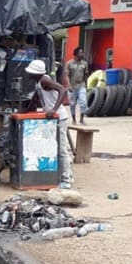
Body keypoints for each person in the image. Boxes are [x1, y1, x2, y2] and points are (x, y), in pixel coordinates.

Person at [25, 59, 74, 189]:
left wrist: (54, 110)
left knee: (61, 149)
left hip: (59, 118)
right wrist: (28, 109)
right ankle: (67, 174)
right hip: (52, 118)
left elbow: (62, 90)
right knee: (55, 147)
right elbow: (36, 96)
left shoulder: (44, 80)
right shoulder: (39, 82)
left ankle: (66, 179)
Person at [65, 47, 89, 125]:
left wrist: (86, 86)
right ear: (76, 54)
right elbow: (67, 75)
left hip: (81, 85)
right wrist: (69, 86)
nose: (82, 54)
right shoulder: (69, 63)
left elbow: (86, 75)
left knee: (83, 102)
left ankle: (81, 119)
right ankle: (74, 119)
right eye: (81, 52)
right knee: (72, 104)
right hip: (72, 86)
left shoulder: (84, 63)